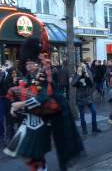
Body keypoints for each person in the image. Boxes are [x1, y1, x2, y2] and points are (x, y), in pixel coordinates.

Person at [3, 38, 85, 171]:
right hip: (27, 122)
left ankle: (43, 169)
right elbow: (23, 95)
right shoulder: (27, 78)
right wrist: (15, 106)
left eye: (31, 64)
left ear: (37, 63)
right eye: (27, 64)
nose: (28, 66)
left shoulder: (43, 76)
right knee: (26, 154)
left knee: (34, 155)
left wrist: (21, 104)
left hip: (40, 123)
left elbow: (44, 97)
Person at [71, 63, 102, 135]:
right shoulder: (77, 73)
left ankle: (94, 128)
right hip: (80, 96)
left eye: (83, 67)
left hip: (88, 96)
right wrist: (78, 75)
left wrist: (86, 76)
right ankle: (84, 129)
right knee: (82, 114)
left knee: (94, 111)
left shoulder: (88, 72)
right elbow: (73, 84)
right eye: (81, 67)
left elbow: (91, 83)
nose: (82, 68)